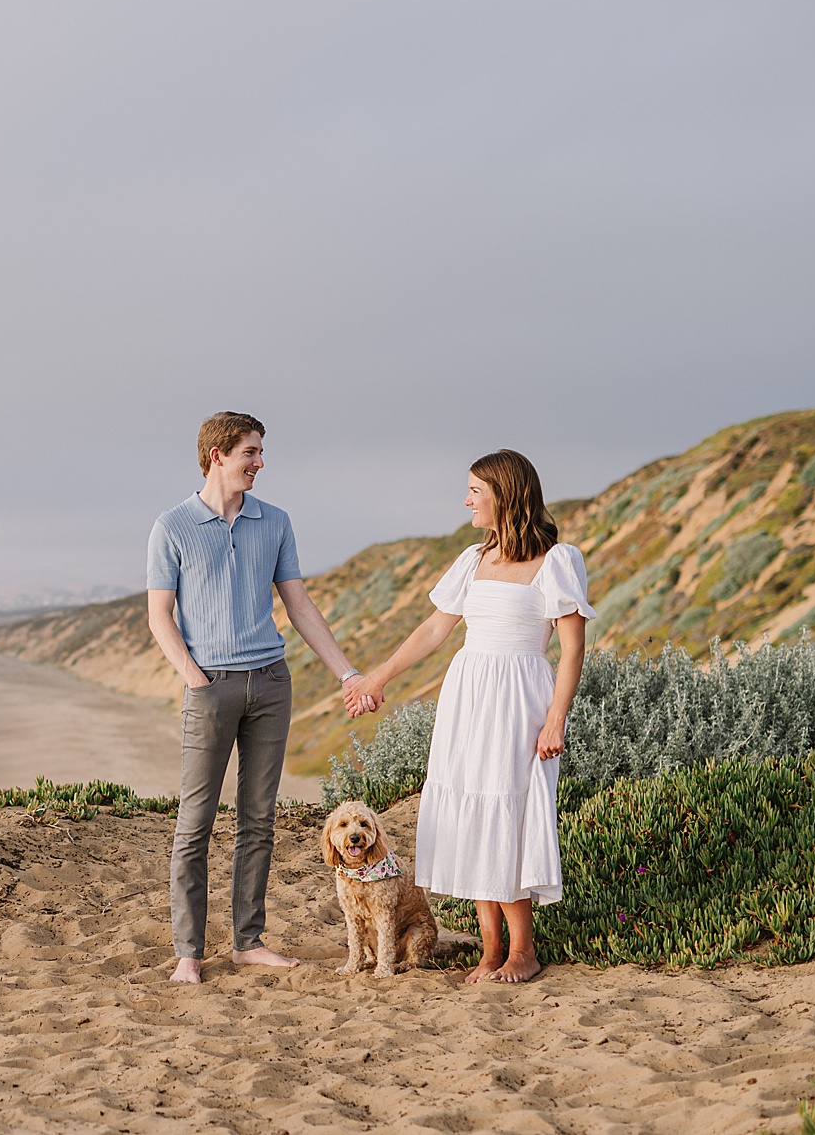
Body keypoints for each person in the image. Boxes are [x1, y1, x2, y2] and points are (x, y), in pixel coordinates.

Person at [344, 449, 594, 984]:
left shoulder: (557, 561)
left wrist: (556, 720)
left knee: (508, 812)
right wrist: (376, 679)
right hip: (468, 697)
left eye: (475, 491)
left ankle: (522, 950)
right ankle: (489, 951)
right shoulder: (472, 559)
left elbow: (572, 650)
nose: (466, 500)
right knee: (474, 814)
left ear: (505, 494)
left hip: (520, 700)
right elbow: (433, 631)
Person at [148, 411, 368, 985]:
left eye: (261, 452)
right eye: (250, 452)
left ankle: (248, 941)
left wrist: (347, 674)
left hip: (271, 683)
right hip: (210, 687)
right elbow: (159, 616)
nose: (260, 463)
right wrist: (196, 679)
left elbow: (299, 607)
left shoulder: (275, 522)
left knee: (258, 819)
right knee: (194, 824)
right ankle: (189, 952)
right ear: (217, 454)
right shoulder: (172, 526)